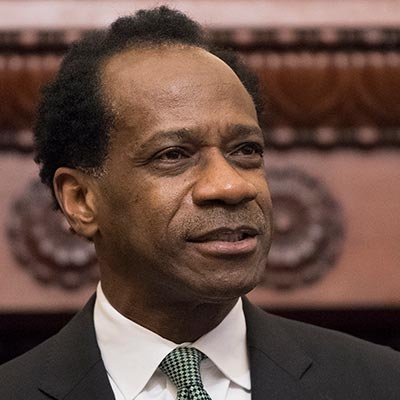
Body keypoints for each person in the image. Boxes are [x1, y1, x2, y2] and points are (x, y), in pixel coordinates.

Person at [1, 6, 400, 400]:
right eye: (173, 155)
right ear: (81, 199)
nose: (231, 185)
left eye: (245, 150)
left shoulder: (380, 383)